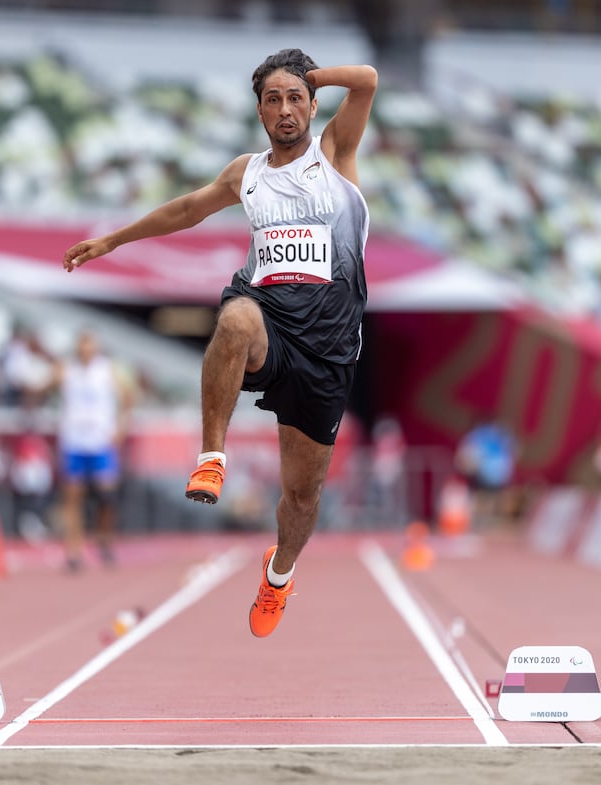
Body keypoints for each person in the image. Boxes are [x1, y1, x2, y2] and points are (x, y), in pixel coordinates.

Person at [63, 49, 377, 636]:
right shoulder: (246, 173)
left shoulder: (334, 152)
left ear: (310, 104)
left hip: (328, 343)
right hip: (269, 316)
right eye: (272, 100)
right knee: (234, 320)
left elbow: (366, 81)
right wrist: (113, 240)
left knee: (301, 498)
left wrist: (313, 76)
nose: (284, 110)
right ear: (259, 111)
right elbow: (186, 210)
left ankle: (279, 574)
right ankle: (212, 457)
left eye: (294, 98)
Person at [49, 329, 135, 571]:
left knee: (107, 496)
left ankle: (104, 537)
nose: (85, 350)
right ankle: (74, 550)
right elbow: (44, 384)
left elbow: (128, 397)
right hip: (74, 442)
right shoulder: (67, 369)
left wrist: (121, 427)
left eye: (90, 345)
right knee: (72, 497)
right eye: (82, 345)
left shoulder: (107, 370)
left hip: (101, 442)